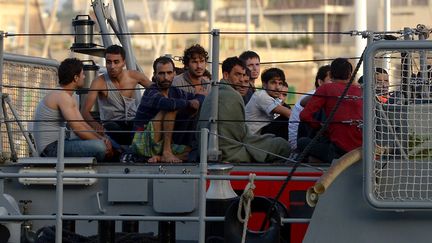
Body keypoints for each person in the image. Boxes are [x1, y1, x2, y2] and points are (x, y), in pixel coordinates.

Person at [198, 57, 292, 163]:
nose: (242, 80)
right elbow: (241, 136)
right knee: (282, 145)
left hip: (208, 150)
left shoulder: (213, 93)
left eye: (243, 75)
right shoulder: (233, 95)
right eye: (237, 75)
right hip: (230, 153)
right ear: (226, 75)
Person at [33, 58, 112, 162]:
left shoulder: (69, 95)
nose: (84, 77)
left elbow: (82, 123)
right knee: (100, 147)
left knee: (106, 141)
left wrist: (102, 138)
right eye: (82, 74)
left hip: (61, 143)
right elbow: (78, 128)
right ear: (75, 78)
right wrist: (101, 142)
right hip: (50, 150)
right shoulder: (62, 96)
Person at [130, 56, 205, 163]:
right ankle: (166, 152)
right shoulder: (151, 91)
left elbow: (200, 97)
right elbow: (168, 104)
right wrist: (190, 103)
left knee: (192, 152)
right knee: (172, 107)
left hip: (159, 142)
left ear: (174, 73)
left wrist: (197, 101)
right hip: (141, 141)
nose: (166, 77)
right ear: (155, 75)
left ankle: (160, 157)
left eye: (169, 73)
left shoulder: (175, 91)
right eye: (161, 73)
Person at [81, 44, 152, 146]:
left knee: (146, 127)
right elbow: (84, 111)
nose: (112, 66)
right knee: (115, 129)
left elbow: (156, 91)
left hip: (133, 121)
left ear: (123, 62)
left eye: (116, 62)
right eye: (109, 62)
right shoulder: (99, 82)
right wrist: (96, 126)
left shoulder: (134, 76)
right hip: (111, 124)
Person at [299, 58, 362, 163]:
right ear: (350, 74)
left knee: (302, 142)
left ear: (331, 74)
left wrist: (322, 128)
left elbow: (304, 115)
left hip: (338, 152)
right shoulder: (360, 90)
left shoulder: (326, 89)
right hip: (360, 151)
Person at [289, 65, 331, 149]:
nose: (334, 84)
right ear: (320, 82)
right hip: (299, 143)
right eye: (331, 80)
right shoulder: (315, 96)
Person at [245, 67, 291, 139]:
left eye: (280, 83)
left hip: (261, 133)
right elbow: (289, 114)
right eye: (273, 83)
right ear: (264, 85)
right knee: (285, 118)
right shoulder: (261, 96)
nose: (277, 87)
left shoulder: (271, 97)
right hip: (254, 138)